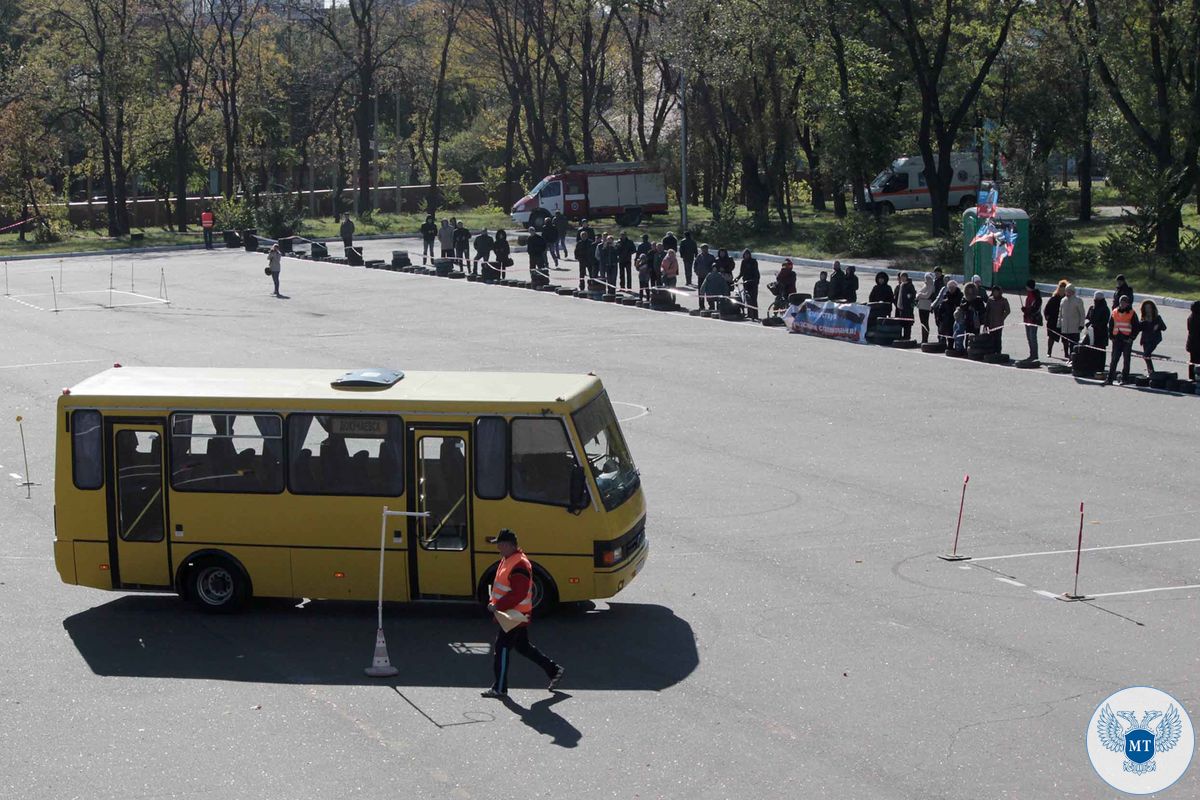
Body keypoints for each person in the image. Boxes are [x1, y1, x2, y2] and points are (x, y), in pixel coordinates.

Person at [481, 529, 563, 699]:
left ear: (510, 545)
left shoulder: (519, 564)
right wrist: (493, 602)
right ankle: (554, 670)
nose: (498, 548)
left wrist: (497, 606)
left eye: (500, 545)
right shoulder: (509, 559)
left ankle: (500, 687)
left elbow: (518, 593)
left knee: (501, 648)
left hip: (514, 616)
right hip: (513, 614)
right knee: (523, 647)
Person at [1104, 295, 1141, 385]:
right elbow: (1111, 325)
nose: (1123, 304)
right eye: (1121, 302)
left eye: (1125, 302)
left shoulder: (1132, 313)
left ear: (1128, 304)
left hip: (1127, 340)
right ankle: (1110, 379)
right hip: (1117, 339)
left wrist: (1131, 338)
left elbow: (1136, 327)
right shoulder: (1115, 312)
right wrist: (1111, 336)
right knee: (1114, 359)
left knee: (1126, 360)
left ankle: (1125, 379)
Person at [1058, 283, 1085, 360]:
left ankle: (1073, 358)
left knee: (1073, 344)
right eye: (1066, 291)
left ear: (1073, 292)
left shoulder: (1078, 301)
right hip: (1065, 327)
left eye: (1069, 291)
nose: (1068, 293)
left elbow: (1082, 314)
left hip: (1074, 328)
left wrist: (1081, 324)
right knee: (1065, 342)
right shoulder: (1063, 300)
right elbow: (1060, 314)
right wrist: (1059, 324)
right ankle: (1067, 356)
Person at [1139, 300, 1167, 374]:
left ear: (1153, 308)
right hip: (1145, 340)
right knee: (1147, 357)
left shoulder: (1157, 318)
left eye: (1149, 308)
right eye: (1146, 308)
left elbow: (1164, 328)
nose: (1148, 310)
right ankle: (1151, 372)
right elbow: (1139, 328)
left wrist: (1158, 326)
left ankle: (1151, 372)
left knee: (1146, 355)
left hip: (1154, 340)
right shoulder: (1143, 318)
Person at [932, 279, 962, 346]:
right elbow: (941, 307)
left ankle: (958, 347)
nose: (951, 289)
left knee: (957, 334)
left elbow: (961, 306)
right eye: (950, 288)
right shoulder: (946, 295)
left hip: (957, 318)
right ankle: (947, 345)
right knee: (948, 333)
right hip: (947, 318)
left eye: (952, 287)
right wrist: (939, 317)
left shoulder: (960, 295)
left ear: (955, 287)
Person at [1021, 279, 1043, 361]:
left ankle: (1034, 355)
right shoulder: (1029, 295)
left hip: (1033, 320)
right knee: (1029, 338)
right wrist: (1025, 309)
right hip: (1027, 320)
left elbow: (1035, 308)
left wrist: (1027, 311)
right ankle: (1032, 354)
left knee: (1032, 338)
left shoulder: (1036, 296)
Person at [1044, 280, 1067, 358]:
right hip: (1053, 321)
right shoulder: (1053, 298)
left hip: (1064, 321)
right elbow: (1046, 309)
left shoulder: (1067, 299)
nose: (1061, 291)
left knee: (1065, 338)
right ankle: (1049, 352)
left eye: (1063, 290)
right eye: (1060, 289)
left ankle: (1066, 353)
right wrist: (1047, 316)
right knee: (1051, 337)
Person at [984, 285, 1011, 350]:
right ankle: (991, 351)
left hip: (999, 323)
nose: (995, 293)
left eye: (997, 292)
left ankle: (998, 352)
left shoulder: (1004, 300)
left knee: (998, 338)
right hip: (991, 322)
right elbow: (987, 311)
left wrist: (1002, 317)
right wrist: (985, 323)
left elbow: (1008, 310)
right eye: (994, 291)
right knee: (991, 338)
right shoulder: (990, 300)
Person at [736, 249, 760, 319]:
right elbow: (741, 272)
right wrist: (737, 278)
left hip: (753, 283)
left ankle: (755, 315)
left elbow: (756, 272)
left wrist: (755, 281)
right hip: (746, 283)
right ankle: (750, 314)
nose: (746, 255)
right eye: (745, 254)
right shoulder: (743, 262)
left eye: (748, 254)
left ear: (750, 255)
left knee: (754, 299)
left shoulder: (754, 262)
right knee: (747, 299)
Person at [894, 272, 916, 339]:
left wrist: (910, 296)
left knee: (907, 323)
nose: (902, 278)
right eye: (901, 277)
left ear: (906, 277)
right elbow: (896, 296)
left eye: (904, 277)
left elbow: (913, 295)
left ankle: (907, 337)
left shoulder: (910, 285)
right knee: (900, 323)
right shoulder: (900, 286)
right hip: (899, 308)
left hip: (907, 308)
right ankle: (899, 336)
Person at [916, 272, 936, 344]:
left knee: (925, 322)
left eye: (929, 278)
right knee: (922, 323)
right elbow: (918, 293)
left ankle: (925, 339)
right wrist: (920, 295)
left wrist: (920, 295)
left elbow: (927, 295)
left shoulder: (931, 286)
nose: (927, 279)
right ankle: (923, 339)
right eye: (926, 278)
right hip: (921, 306)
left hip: (926, 306)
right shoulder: (925, 285)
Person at [1187, 301, 1200, 381]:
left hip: (1191, 342)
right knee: (1196, 361)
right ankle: (1196, 377)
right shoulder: (1198, 318)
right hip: (1197, 343)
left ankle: (1192, 377)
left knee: (1193, 361)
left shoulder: (1191, 317)